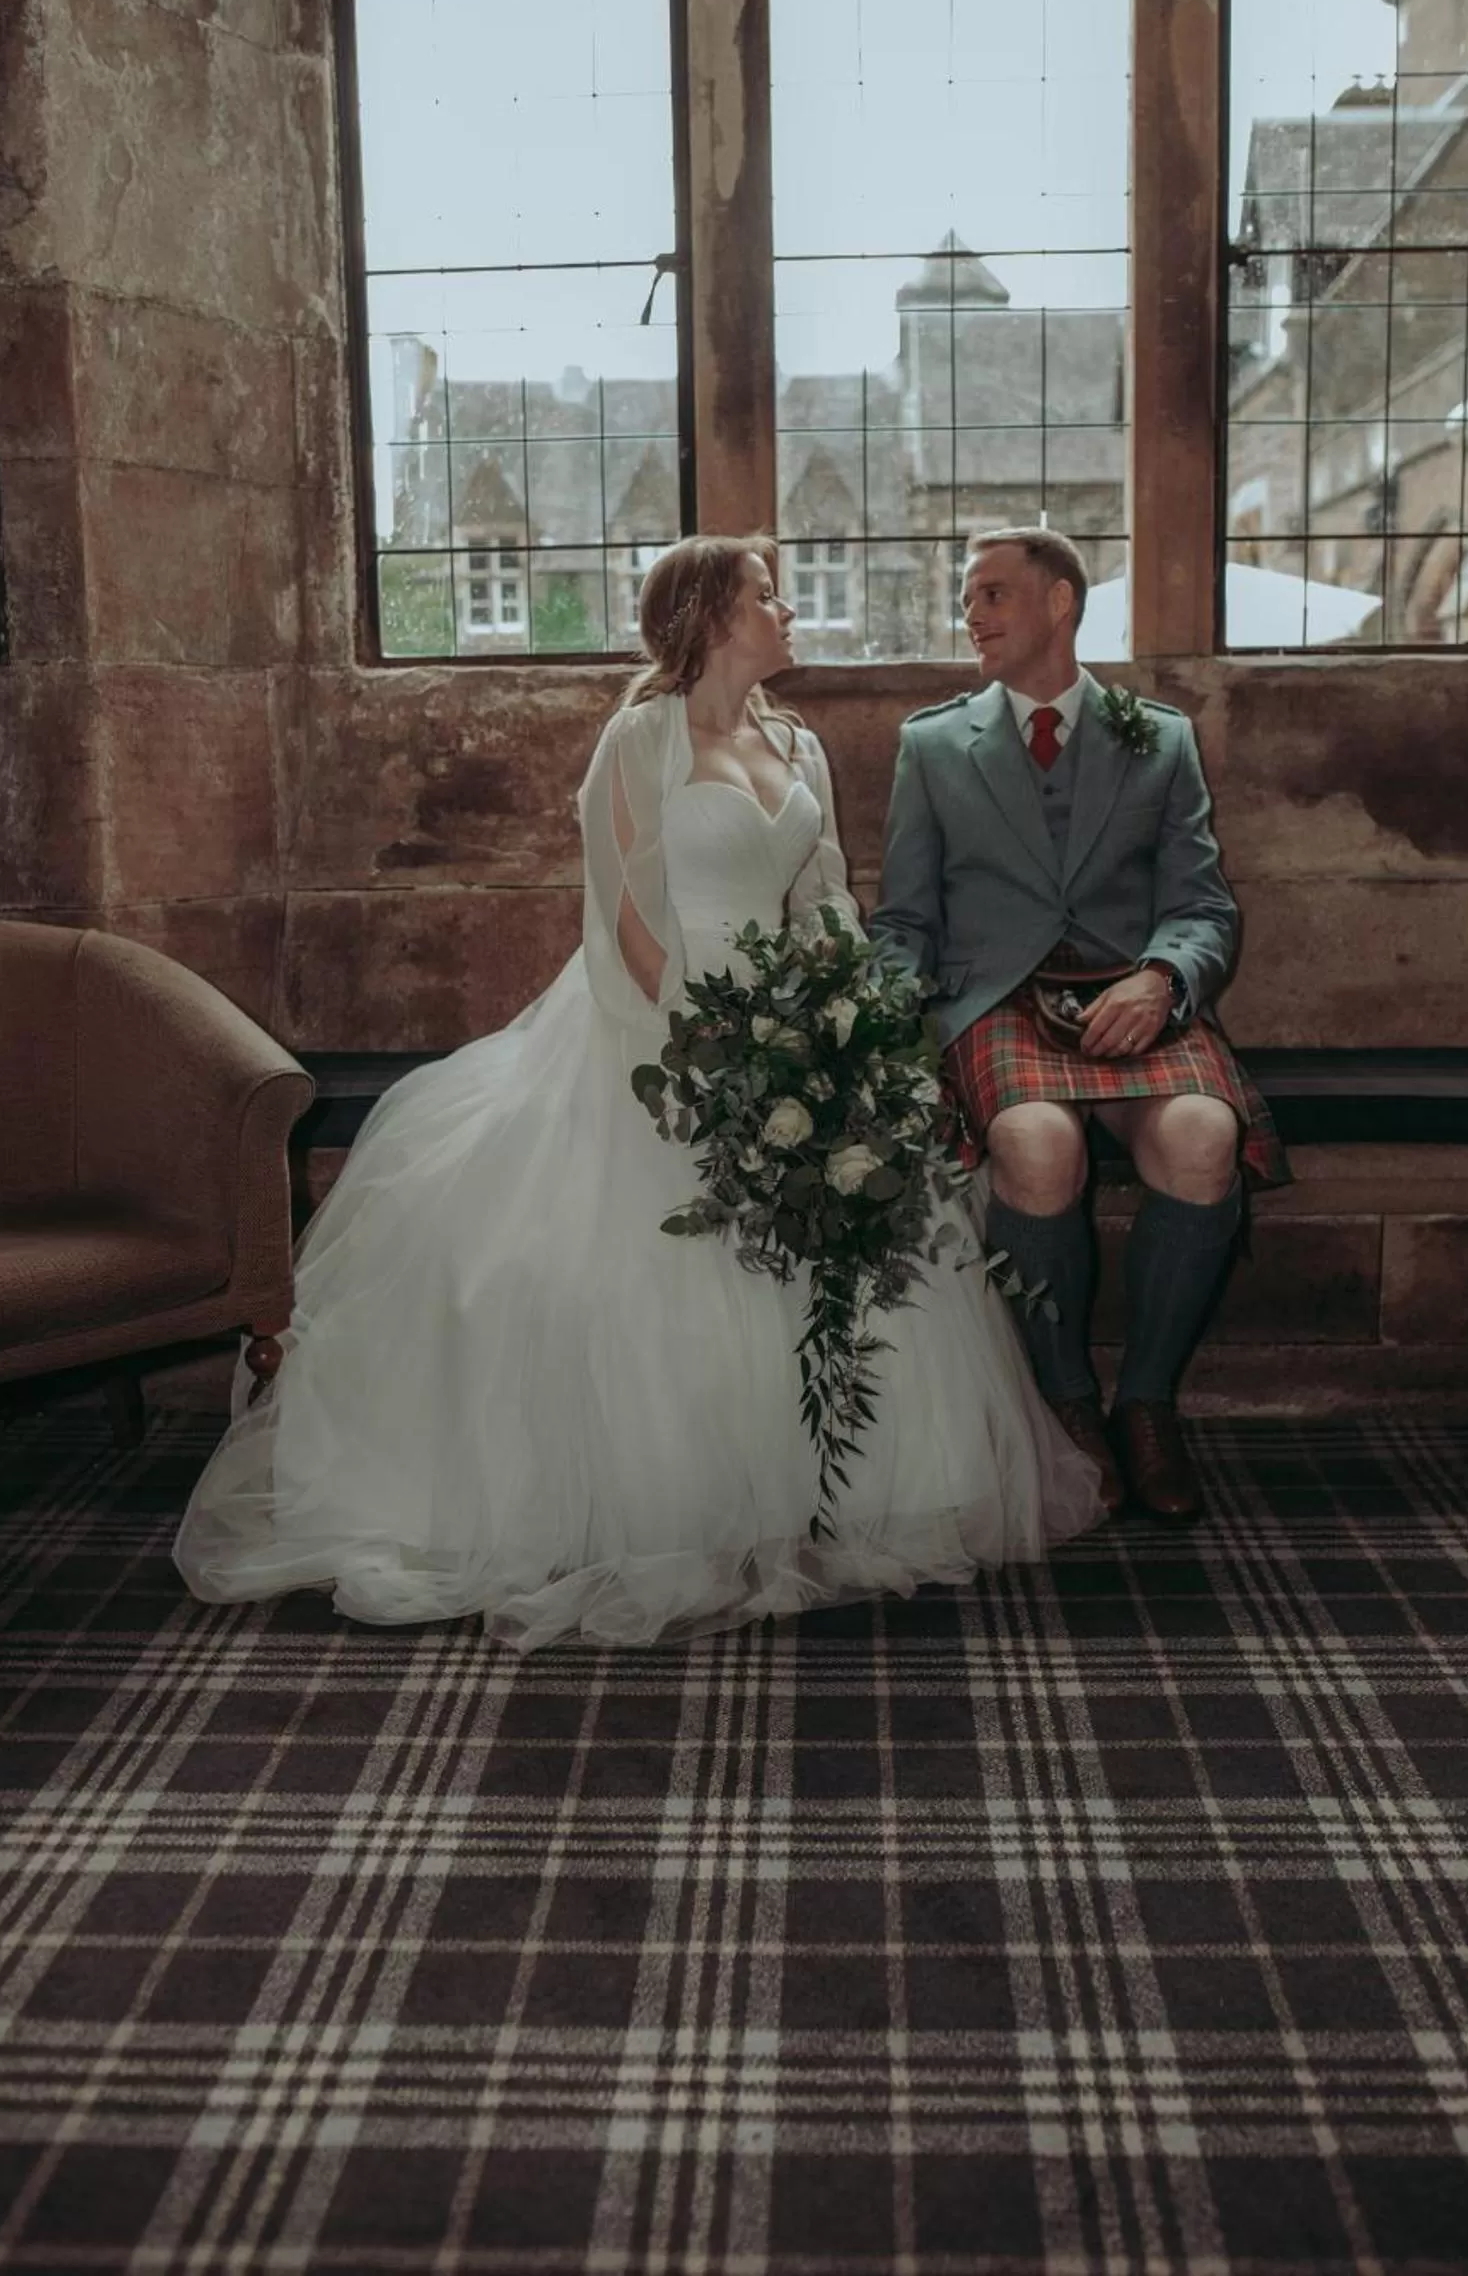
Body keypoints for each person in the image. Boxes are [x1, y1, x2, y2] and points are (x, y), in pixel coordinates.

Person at [175, 536, 1104, 1650]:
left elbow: (823, 897)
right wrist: (717, 1055)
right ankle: (661, 1511)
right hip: (666, 1028)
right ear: (714, 615)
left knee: (865, 1246)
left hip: (795, 1026)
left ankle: (845, 1492)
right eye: (767, 595)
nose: (786, 608)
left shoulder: (798, 743)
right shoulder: (642, 736)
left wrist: (841, 1026)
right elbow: (624, 916)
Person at [871, 527, 1289, 1526]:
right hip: (996, 1003)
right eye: (968, 597)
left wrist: (1161, 977)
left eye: (991, 594)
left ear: (1059, 603)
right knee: (1034, 1144)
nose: (970, 615)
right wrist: (879, 1038)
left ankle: (1145, 1402)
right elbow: (904, 921)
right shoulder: (931, 745)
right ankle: (1065, 1403)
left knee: (1203, 1138)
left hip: (1132, 995)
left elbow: (1203, 905)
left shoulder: (1160, 737)